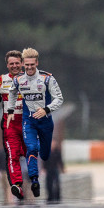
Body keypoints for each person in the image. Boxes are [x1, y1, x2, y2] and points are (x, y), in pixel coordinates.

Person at [6, 48, 64, 199]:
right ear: (23, 64)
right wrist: (11, 111)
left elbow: (59, 99)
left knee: (44, 154)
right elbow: (12, 93)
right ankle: (35, 180)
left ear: (37, 63)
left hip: (45, 121)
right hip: (29, 120)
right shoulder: (18, 80)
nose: (30, 68)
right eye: (27, 65)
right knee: (31, 148)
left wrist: (46, 109)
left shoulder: (47, 78)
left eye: (32, 64)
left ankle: (39, 148)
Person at [0, 50, 27, 200]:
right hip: (10, 123)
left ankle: (32, 179)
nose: (15, 66)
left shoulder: (30, 78)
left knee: (30, 151)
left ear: (22, 63)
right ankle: (16, 184)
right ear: (7, 65)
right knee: (12, 154)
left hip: (27, 122)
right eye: (12, 64)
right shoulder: (0, 81)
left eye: (17, 63)